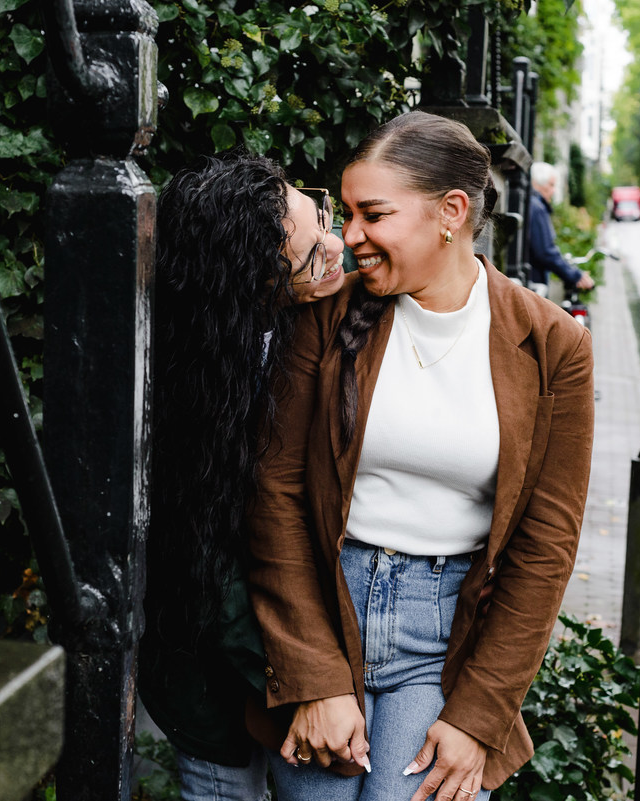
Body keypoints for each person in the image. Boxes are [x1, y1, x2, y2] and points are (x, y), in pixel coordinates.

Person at [246, 111, 595, 801]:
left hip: (446, 639)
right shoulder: (323, 318)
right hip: (321, 607)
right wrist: (314, 674)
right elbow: (275, 493)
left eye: (372, 213)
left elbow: (545, 543)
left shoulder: (553, 347)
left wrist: (478, 715)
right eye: (346, 213)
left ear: (451, 213)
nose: (350, 237)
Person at [139, 152, 347, 801]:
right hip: (211, 682)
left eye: (325, 218)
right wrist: (303, 685)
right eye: (313, 254)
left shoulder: (302, 324)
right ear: (253, 283)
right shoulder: (188, 389)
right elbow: (211, 573)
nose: (338, 247)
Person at [527, 161, 595, 295]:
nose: (553, 191)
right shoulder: (537, 207)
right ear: (537, 183)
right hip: (534, 284)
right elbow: (546, 252)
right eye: (551, 185)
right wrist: (575, 275)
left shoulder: (530, 203)